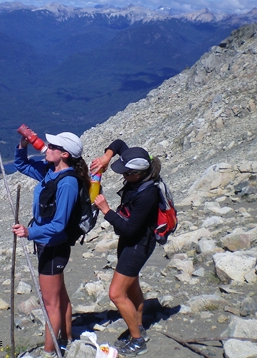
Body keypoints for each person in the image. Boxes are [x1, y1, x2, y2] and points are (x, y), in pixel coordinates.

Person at [12, 131, 90, 357]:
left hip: (54, 246)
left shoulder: (68, 183)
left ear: (64, 154)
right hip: (47, 244)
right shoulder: (50, 171)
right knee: (60, 296)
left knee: (50, 304)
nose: (46, 147)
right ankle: (66, 339)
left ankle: (49, 351)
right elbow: (22, 165)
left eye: (52, 146)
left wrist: (30, 232)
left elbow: (59, 224)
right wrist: (23, 145)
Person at [90, 140, 161, 356]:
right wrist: (106, 156)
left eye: (126, 174)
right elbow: (119, 144)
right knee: (131, 287)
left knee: (116, 293)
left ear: (138, 175)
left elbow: (130, 229)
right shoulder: (137, 161)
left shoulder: (148, 194)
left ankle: (138, 340)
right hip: (132, 243)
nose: (123, 177)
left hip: (138, 244)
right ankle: (137, 326)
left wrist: (106, 210)